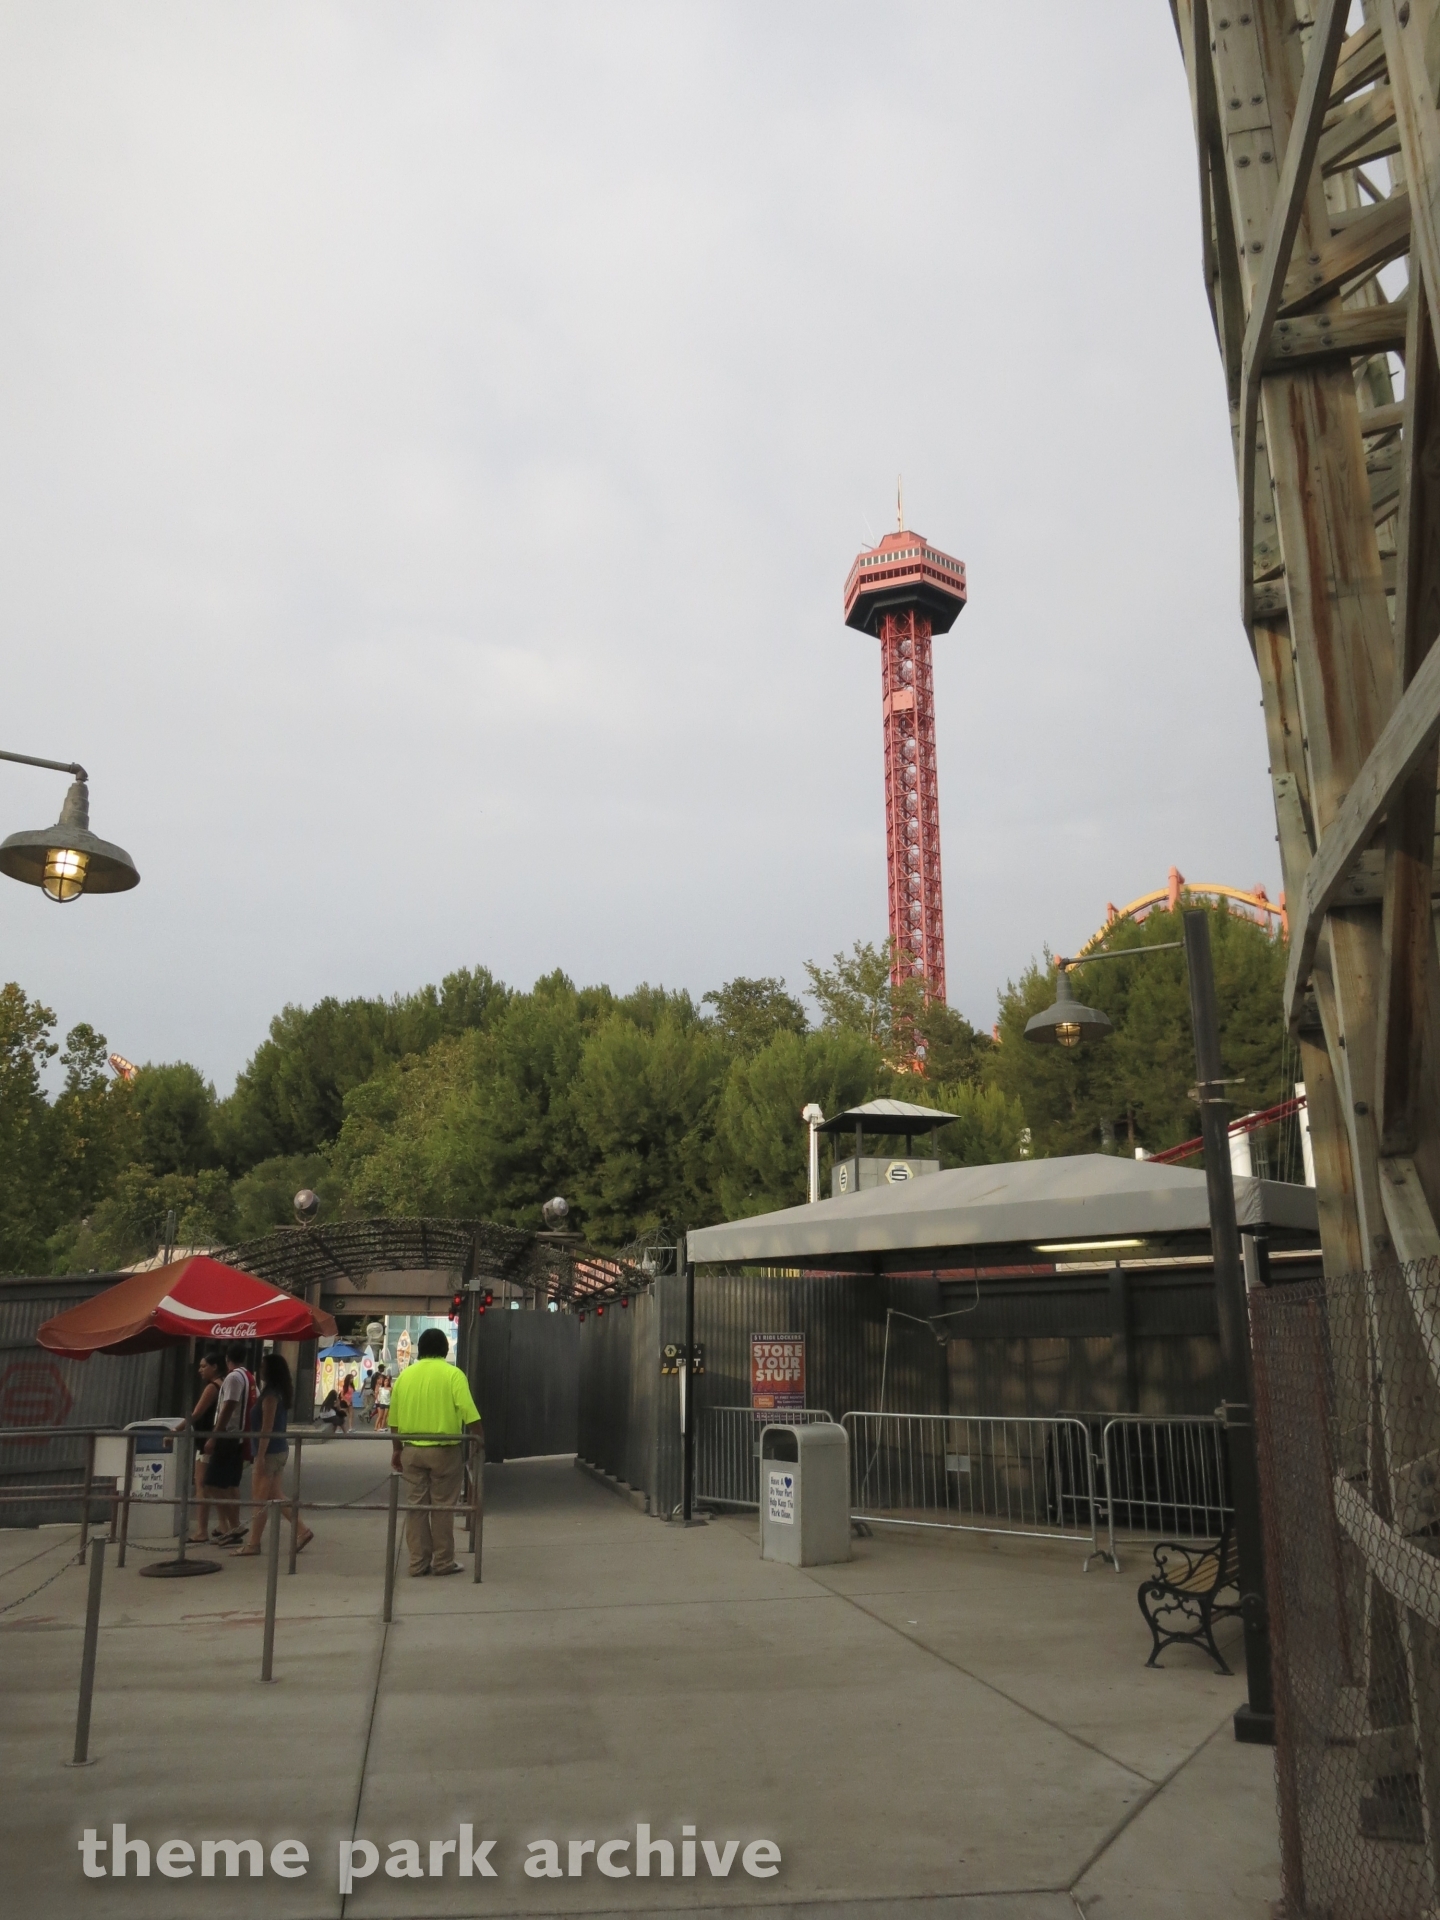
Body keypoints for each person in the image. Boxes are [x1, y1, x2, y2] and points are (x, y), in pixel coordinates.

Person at [387, 1328, 481, 1577]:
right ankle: (443, 1561)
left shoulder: (405, 1376)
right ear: (445, 1349)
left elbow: (393, 1419)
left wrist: (397, 1450)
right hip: (444, 1451)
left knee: (416, 1508)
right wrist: (479, 1438)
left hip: (411, 1450)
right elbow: (469, 1411)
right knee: (442, 1507)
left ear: (420, 1349)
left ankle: (418, 1563)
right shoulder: (453, 1374)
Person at [234, 1353, 312, 1557]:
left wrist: (259, 1456)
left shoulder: (270, 1396)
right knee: (275, 1495)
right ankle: (302, 1530)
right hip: (279, 1449)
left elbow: (266, 1428)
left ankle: (254, 1543)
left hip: (268, 1451)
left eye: (263, 1366)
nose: (260, 1369)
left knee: (259, 1500)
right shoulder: (279, 1393)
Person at [202, 1343, 254, 1545]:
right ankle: (231, 1526)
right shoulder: (249, 1377)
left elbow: (229, 1406)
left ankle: (234, 1526)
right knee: (231, 1484)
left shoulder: (233, 1378)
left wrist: (214, 1436)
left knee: (212, 1483)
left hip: (228, 1435)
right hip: (239, 1435)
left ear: (226, 1359)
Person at [186, 1351, 223, 1544]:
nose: (200, 1370)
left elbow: (196, 1413)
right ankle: (224, 1525)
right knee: (212, 1486)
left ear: (214, 1367)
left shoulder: (212, 1387)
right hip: (211, 1439)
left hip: (206, 1440)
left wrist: (175, 1430)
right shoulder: (223, 1384)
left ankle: (202, 1530)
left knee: (201, 1485)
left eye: (203, 1366)